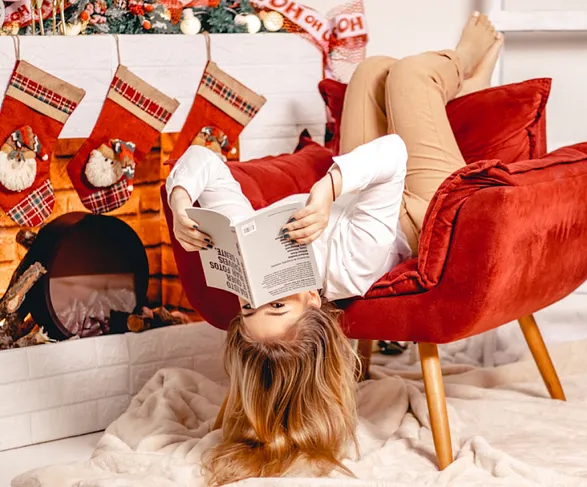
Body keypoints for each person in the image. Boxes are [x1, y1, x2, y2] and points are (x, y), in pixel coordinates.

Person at [166, 12, 503, 485]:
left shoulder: (250, 254)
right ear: (313, 302)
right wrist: (325, 191)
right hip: (416, 205)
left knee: (370, 72)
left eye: (249, 303)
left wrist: (182, 203)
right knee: (408, 77)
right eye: (277, 302)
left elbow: (203, 159)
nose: (259, 288)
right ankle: (467, 62)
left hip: (352, 193)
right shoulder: (349, 267)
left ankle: (463, 95)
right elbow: (392, 156)